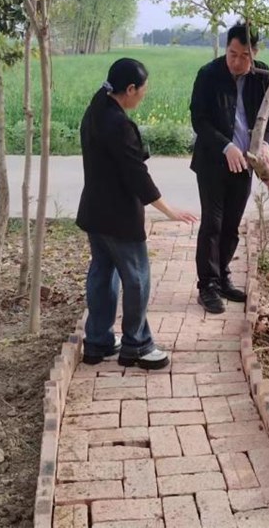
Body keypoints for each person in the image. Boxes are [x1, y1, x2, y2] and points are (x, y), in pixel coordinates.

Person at [76, 58, 198, 370]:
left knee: (102, 274)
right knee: (137, 278)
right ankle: (137, 345)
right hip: (119, 217)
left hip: (95, 212)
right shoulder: (119, 125)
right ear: (130, 89)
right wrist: (169, 210)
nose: (144, 94)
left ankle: (98, 342)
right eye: (143, 89)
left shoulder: (96, 108)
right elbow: (137, 175)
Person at [190, 21, 269, 314]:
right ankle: (207, 286)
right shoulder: (208, 74)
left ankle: (223, 276)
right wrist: (225, 145)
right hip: (213, 162)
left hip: (245, 162)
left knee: (231, 226)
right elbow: (199, 120)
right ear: (226, 48)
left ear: (255, 53)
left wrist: (264, 143)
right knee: (213, 224)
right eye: (232, 54)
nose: (237, 62)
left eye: (244, 56)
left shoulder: (262, 76)